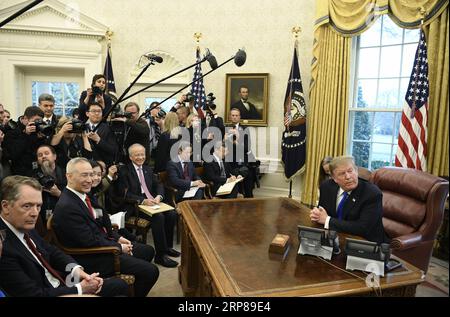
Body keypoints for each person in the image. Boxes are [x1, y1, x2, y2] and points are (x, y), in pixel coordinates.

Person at [0, 175, 128, 297]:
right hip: (50, 292)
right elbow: (33, 294)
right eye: (27, 206)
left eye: (38, 206)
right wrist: (80, 289)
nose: (34, 213)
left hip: (61, 281)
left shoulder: (22, 223)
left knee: (119, 285)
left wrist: (77, 271)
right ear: (5, 206)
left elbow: (51, 251)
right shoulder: (3, 246)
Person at [52, 158, 159, 297]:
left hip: (103, 244)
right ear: (69, 176)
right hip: (92, 257)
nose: (90, 180)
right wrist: (118, 247)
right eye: (84, 175)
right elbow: (89, 241)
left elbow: (100, 225)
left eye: (91, 174)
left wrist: (118, 238)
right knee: (151, 271)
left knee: (148, 251)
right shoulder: (67, 206)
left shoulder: (83, 195)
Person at [117, 144, 179, 268]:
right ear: (130, 157)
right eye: (137, 155)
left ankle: (167, 248)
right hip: (135, 206)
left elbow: (159, 185)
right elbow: (123, 193)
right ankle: (160, 256)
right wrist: (142, 200)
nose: (141, 157)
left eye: (142, 154)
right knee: (159, 217)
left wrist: (159, 197)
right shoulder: (124, 171)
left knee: (172, 214)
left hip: (153, 203)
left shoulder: (148, 169)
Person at [310, 156, 388, 244]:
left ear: (356, 171)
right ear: (334, 178)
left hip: (366, 244)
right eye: (342, 173)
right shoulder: (326, 187)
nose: (348, 177)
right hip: (335, 239)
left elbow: (362, 228)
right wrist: (316, 214)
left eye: (350, 171)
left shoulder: (372, 194)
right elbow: (322, 212)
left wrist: (328, 220)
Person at [2, 106, 49, 176]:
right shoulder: (12, 131)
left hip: (37, 171)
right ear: (25, 118)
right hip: (20, 173)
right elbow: (12, 154)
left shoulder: (37, 130)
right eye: (36, 120)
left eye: (40, 121)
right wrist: (25, 135)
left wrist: (41, 138)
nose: (38, 123)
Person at [33, 145, 67, 237]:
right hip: (41, 221)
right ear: (38, 160)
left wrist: (59, 194)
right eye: (40, 155)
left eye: (46, 153)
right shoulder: (33, 177)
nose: (43, 156)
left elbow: (76, 200)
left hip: (64, 219)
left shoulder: (66, 174)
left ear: (54, 156)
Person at [225, 108, 255, 198]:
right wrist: (225, 140)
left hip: (243, 163)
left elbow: (247, 147)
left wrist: (236, 143)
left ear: (239, 117)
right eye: (233, 115)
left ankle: (249, 201)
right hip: (230, 163)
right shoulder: (226, 128)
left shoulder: (245, 129)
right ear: (230, 117)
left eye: (236, 115)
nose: (234, 117)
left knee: (248, 185)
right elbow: (223, 147)